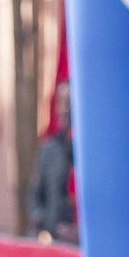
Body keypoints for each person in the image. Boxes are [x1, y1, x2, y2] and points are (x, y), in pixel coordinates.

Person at [28, 83, 77, 244]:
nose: (64, 109)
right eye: (60, 103)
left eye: (69, 102)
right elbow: (36, 195)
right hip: (52, 240)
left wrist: (78, 232)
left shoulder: (93, 152)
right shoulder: (50, 148)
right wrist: (41, 224)